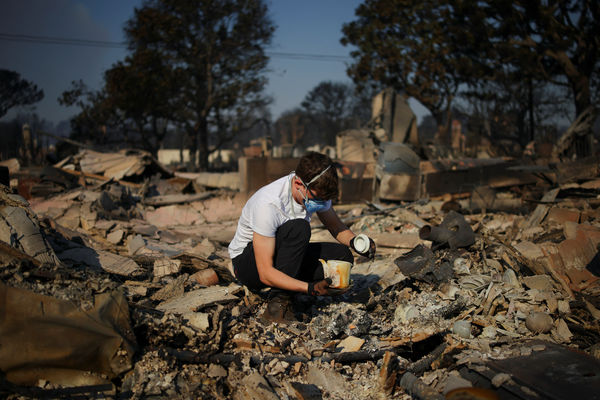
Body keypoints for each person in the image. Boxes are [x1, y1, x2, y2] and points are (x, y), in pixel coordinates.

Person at [228, 151, 376, 321]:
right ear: (298, 183)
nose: (320, 203)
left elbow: (336, 226)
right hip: (248, 266)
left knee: (342, 257)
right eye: (318, 199)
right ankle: (278, 305)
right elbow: (265, 273)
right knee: (299, 228)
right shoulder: (269, 205)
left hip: (281, 256)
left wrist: (357, 242)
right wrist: (310, 288)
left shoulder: (316, 191)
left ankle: (295, 288)